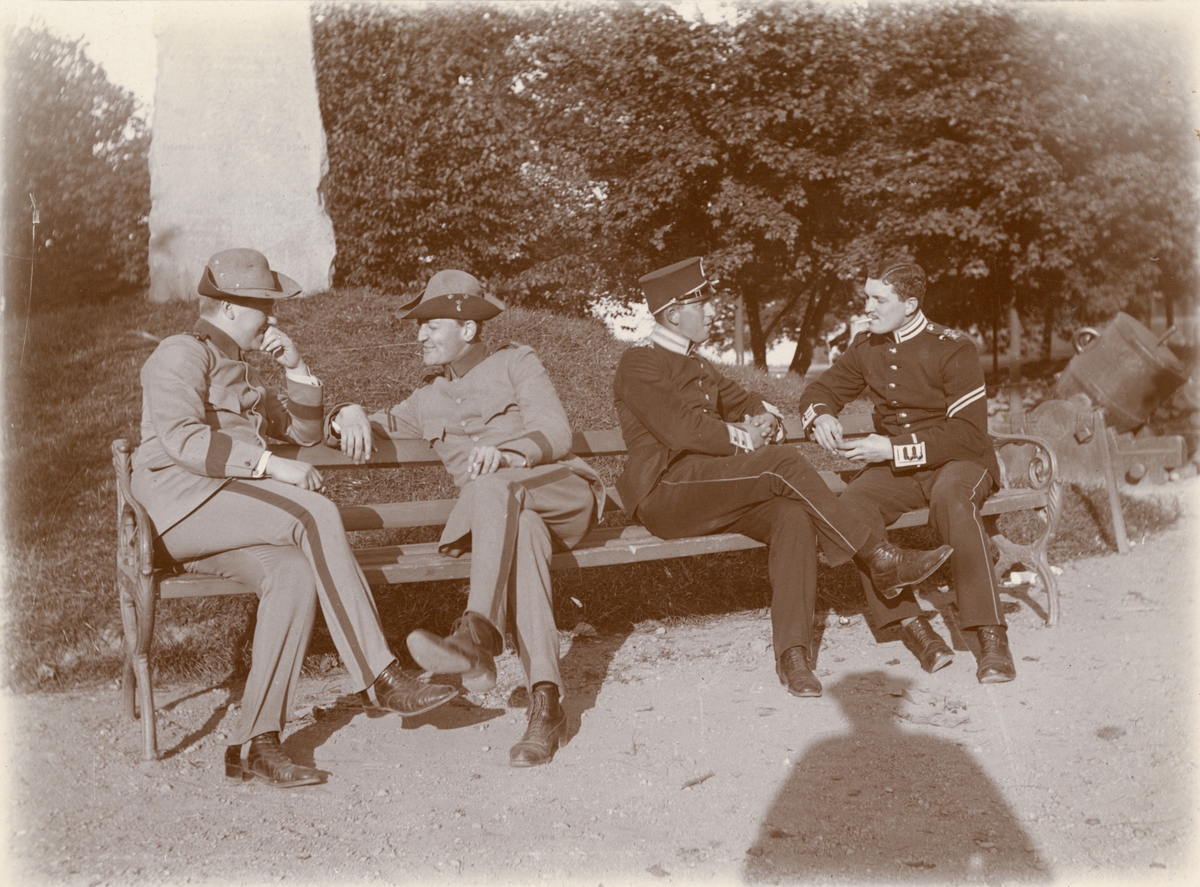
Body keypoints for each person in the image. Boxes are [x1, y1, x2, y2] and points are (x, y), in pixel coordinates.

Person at [132, 248, 458, 789]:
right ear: (230, 308)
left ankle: (255, 743)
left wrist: (299, 371)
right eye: (264, 306)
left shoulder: (241, 373)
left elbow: (304, 432)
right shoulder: (179, 354)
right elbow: (182, 438)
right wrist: (268, 465)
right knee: (313, 511)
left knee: (293, 573)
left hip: (224, 512)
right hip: (179, 508)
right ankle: (379, 676)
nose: (272, 316)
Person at [611, 257, 952, 698]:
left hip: (711, 488)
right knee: (781, 462)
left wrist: (761, 415)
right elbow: (682, 430)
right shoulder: (640, 362)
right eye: (703, 304)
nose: (712, 311)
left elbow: (744, 398)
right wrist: (747, 437)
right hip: (665, 492)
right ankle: (878, 557)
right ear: (675, 314)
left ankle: (793, 656)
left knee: (792, 516)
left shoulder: (699, 364)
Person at [330, 270, 605, 768]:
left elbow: (554, 431)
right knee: (523, 536)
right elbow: (370, 424)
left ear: (468, 328)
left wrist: (509, 454)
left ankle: (477, 634)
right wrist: (345, 412)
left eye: (431, 326)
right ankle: (546, 705)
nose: (420, 335)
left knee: (495, 485)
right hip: (508, 524)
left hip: (559, 495)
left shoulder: (516, 362)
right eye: (420, 327)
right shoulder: (425, 398)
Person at [798, 260, 1016, 683]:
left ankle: (991, 637)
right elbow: (820, 389)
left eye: (879, 300)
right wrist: (821, 414)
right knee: (854, 506)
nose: (868, 308)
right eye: (867, 297)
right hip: (901, 469)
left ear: (911, 304)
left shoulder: (954, 347)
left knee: (953, 500)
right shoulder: (867, 346)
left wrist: (893, 448)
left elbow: (968, 435)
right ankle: (915, 628)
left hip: (960, 462)